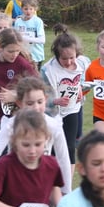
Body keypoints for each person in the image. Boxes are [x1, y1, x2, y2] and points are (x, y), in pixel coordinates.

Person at [0, 76, 72, 195]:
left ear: (45, 99)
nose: (36, 107)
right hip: (17, 183)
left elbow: (63, 158)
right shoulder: (11, 125)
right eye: (30, 103)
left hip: (43, 185)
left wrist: (66, 192)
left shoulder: (53, 125)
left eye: (40, 102)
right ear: (20, 103)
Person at [41, 24, 91, 177]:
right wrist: (55, 101)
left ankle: (66, 184)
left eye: (72, 57)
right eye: (64, 59)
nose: (69, 62)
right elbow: (40, 96)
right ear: (56, 56)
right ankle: (52, 179)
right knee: (54, 146)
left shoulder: (83, 63)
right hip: (52, 113)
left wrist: (83, 91)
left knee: (70, 146)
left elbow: (86, 82)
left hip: (73, 110)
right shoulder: (48, 70)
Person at [0, 28, 38, 139]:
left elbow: (38, 88)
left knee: (17, 149)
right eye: (10, 51)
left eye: (17, 51)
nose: (14, 55)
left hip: (18, 112)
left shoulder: (23, 64)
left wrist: (15, 95)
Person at [13, 0, 46, 69]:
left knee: (34, 77)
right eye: (26, 9)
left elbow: (42, 40)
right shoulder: (18, 21)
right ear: (21, 9)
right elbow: (14, 37)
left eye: (31, 9)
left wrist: (25, 38)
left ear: (35, 9)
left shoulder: (38, 21)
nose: (28, 11)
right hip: (22, 54)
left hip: (36, 55)